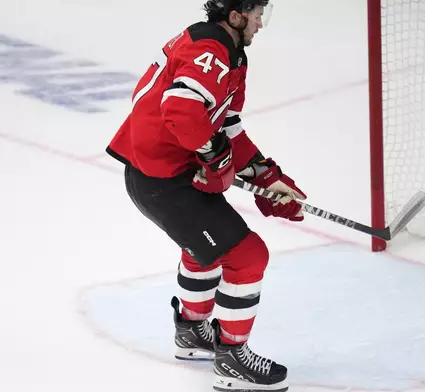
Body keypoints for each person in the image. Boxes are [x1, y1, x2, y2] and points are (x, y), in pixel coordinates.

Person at [105, 1, 305, 391]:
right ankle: (231, 359)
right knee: (248, 256)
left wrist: (267, 176)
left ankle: (192, 332)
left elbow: (223, 124)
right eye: (257, 15)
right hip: (162, 180)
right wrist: (216, 159)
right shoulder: (210, 51)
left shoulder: (228, 51)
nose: (261, 24)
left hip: (161, 174)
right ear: (235, 16)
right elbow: (180, 111)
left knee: (207, 247)